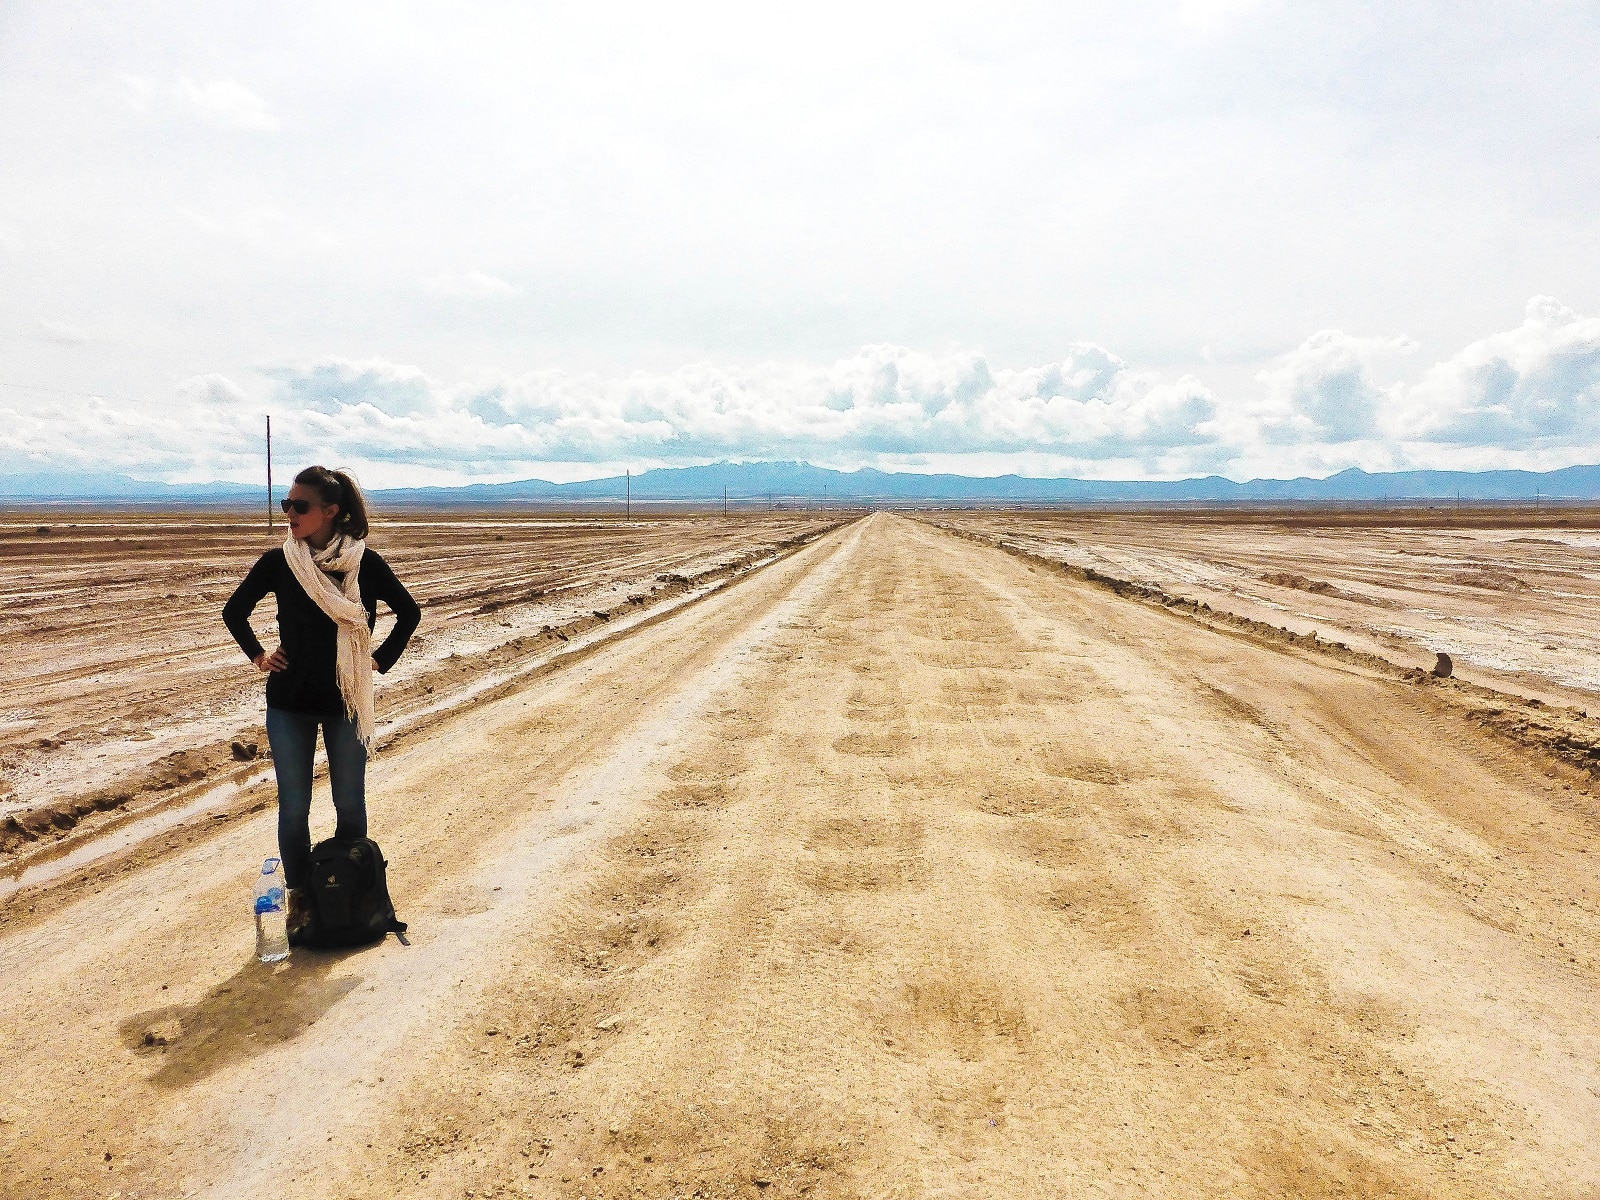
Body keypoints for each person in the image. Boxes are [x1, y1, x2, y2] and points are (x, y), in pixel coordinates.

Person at [223, 465, 420, 934]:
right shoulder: (280, 561)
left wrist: (377, 660)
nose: (289, 513)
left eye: (300, 505)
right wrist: (259, 655)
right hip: (288, 703)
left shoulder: (364, 563)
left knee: (349, 803)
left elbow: (409, 612)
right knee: (294, 809)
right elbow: (234, 610)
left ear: (330, 511)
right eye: (286, 504)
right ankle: (301, 902)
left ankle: (349, 896)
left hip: (345, 703)